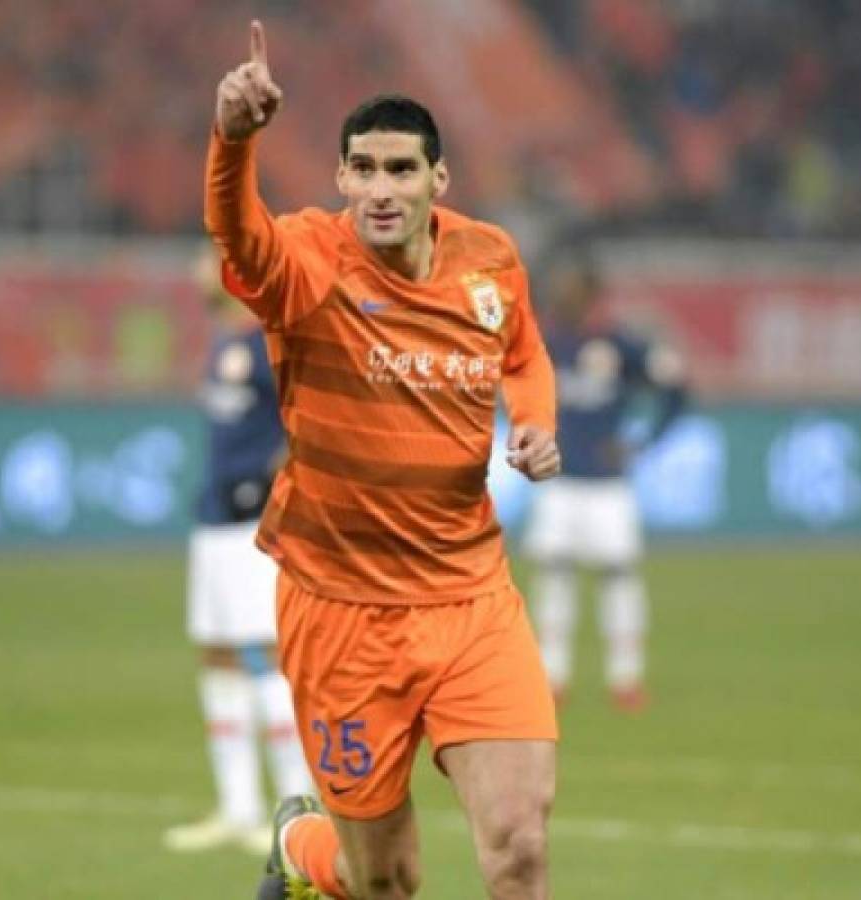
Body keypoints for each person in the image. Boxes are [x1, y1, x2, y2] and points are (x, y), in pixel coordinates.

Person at [207, 22, 562, 900]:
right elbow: (237, 235)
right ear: (339, 178)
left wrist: (535, 420)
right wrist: (233, 139)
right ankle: (302, 853)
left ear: (438, 179)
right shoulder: (308, 263)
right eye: (361, 168)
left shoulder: (490, 258)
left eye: (400, 169)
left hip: (469, 597)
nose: (379, 188)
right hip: (342, 609)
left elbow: (521, 351)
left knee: (517, 845)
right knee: (384, 883)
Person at [163, 242, 311, 854]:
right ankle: (238, 807)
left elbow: (305, 422)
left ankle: (294, 810)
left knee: (268, 656)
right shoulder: (223, 341)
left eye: (205, 261)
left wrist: (277, 489)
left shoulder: (265, 342)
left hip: (254, 525)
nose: (196, 271)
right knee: (219, 656)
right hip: (212, 521)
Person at [522, 252, 688, 712]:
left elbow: (675, 389)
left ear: (591, 297)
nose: (563, 298)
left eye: (571, 290)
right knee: (555, 577)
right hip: (558, 482)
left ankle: (626, 677)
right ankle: (552, 677)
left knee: (619, 578)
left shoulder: (621, 347)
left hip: (608, 486)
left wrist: (642, 441)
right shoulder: (543, 342)